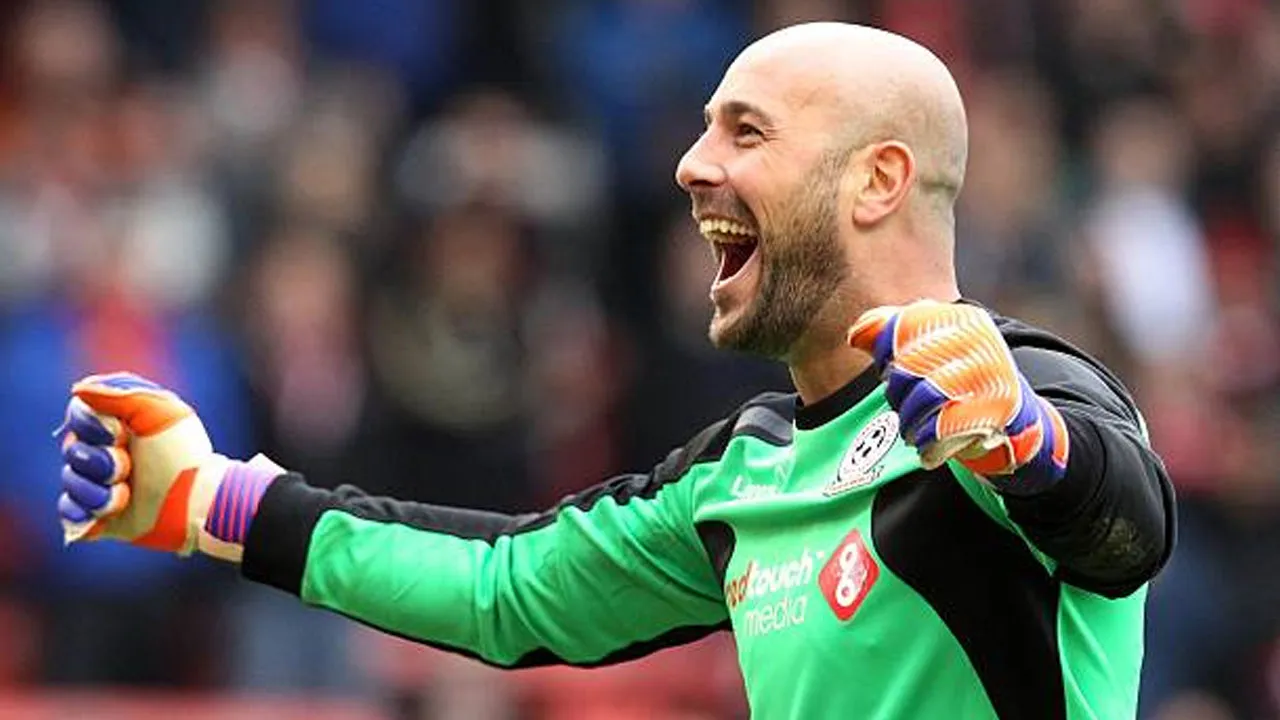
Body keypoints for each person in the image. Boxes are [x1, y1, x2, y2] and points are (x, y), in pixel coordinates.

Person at [51, 23, 1174, 720]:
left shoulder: (1011, 397)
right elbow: (502, 591)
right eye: (702, 132)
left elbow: (1123, 527)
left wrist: (1024, 440)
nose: (692, 166)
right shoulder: (749, 469)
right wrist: (208, 501)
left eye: (745, 132)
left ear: (874, 180)